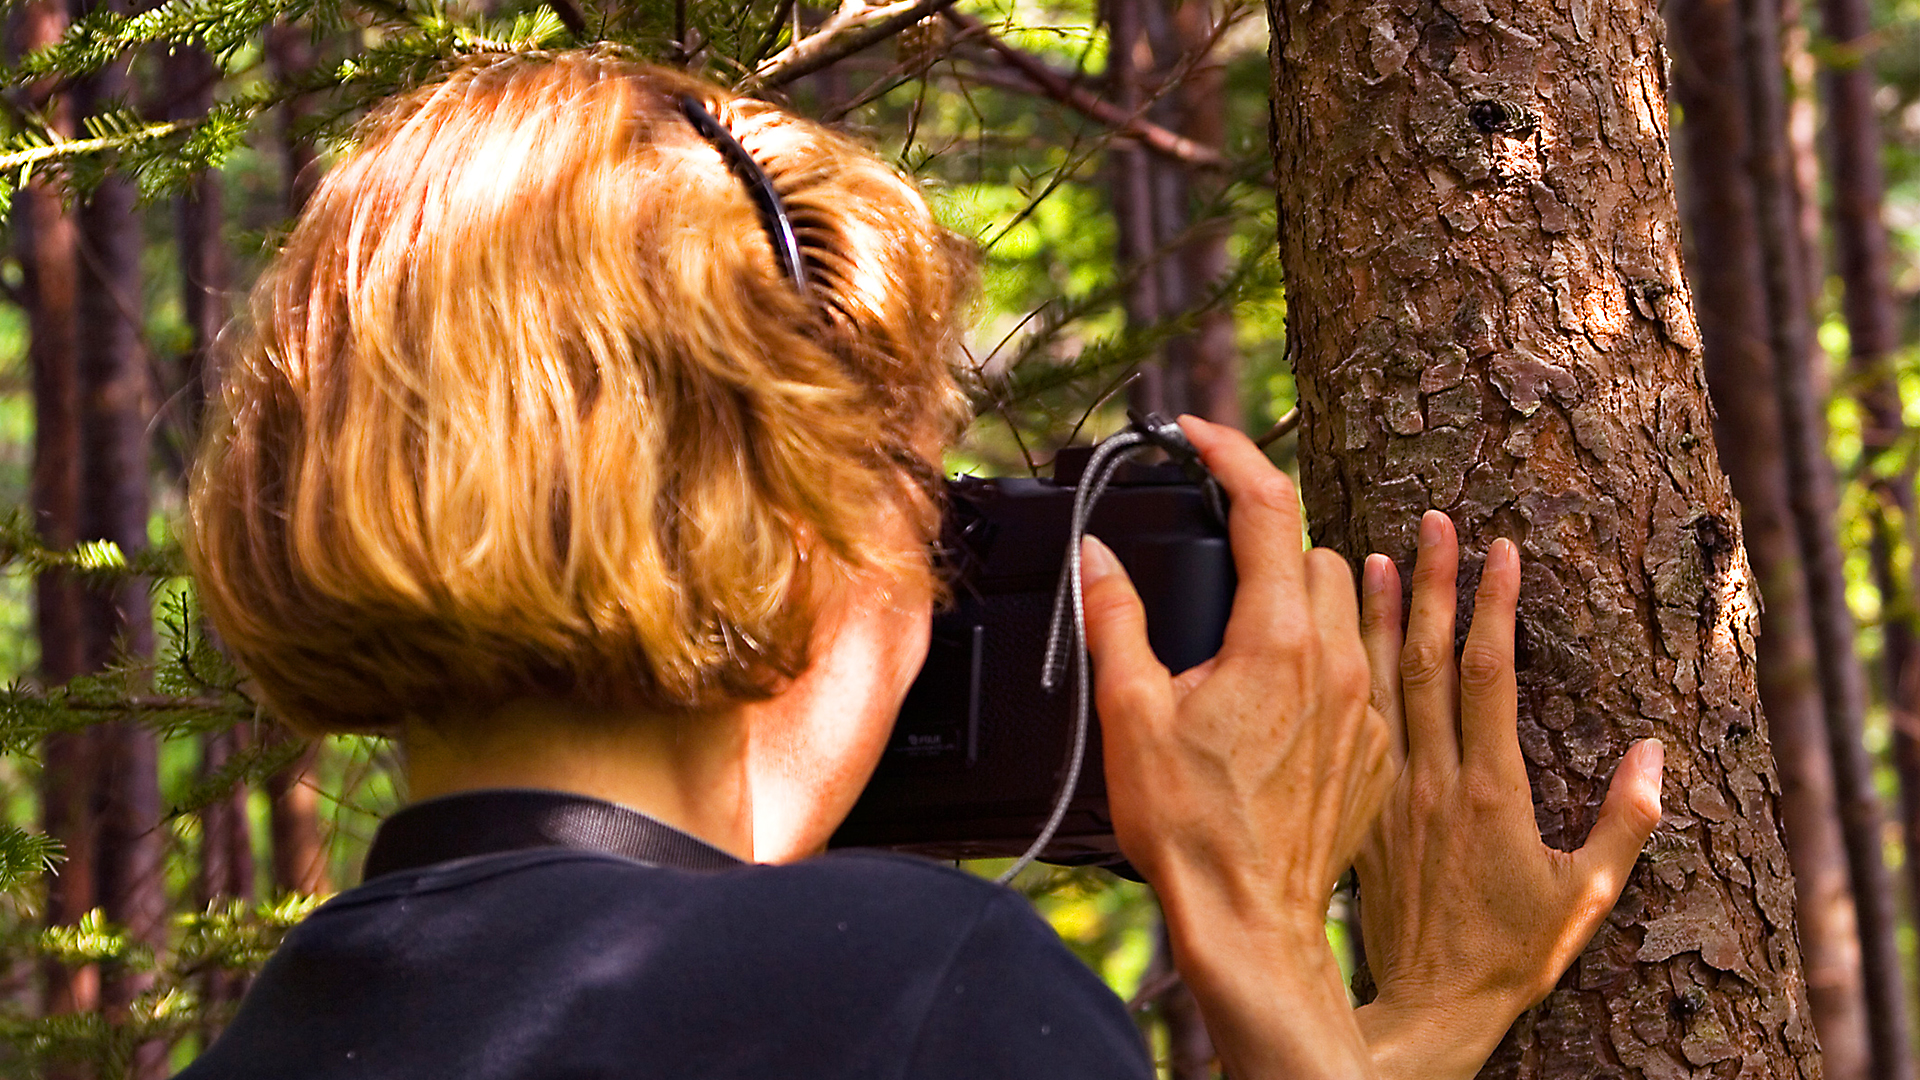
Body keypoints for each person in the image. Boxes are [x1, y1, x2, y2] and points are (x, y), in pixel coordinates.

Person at [176, 50, 1664, 1079]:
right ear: (792, 509)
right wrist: (1264, 936)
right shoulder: (906, 988)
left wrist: (1413, 1022)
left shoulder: (275, 1038)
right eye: (917, 484)